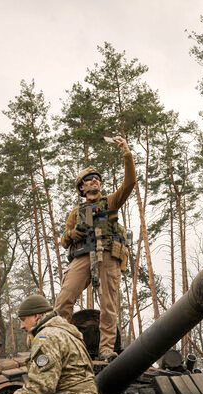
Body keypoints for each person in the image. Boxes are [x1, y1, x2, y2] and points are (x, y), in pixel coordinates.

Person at [55, 136, 136, 361]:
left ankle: (106, 350)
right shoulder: (76, 213)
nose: (94, 182)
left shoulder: (110, 203)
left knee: (108, 304)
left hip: (107, 255)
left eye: (97, 179)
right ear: (81, 187)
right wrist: (73, 234)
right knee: (63, 300)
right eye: (89, 180)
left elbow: (129, 184)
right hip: (81, 256)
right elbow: (64, 241)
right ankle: (63, 347)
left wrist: (126, 153)